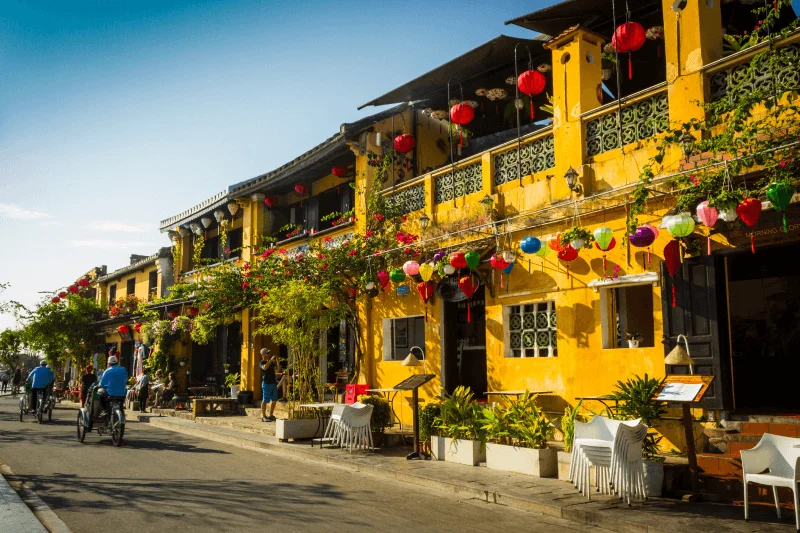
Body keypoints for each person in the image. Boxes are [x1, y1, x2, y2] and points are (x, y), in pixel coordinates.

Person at [260, 348, 280, 422]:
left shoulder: (271, 363)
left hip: (273, 383)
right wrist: (271, 360)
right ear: (263, 354)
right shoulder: (261, 363)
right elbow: (264, 368)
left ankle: (271, 415)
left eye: (269, 353)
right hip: (266, 384)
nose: (268, 354)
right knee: (265, 400)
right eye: (267, 353)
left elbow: (277, 370)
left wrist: (278, 362)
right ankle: (264, 416)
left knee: (274, 400)